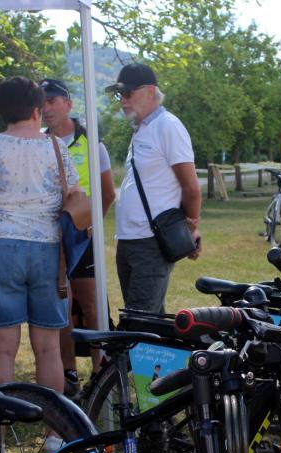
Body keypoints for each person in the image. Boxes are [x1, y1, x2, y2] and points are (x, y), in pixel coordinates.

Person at [0, 76, 77, 450]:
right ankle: (54, 435)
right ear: (37, 109)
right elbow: (73, 201)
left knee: (2, 349)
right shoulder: (58, 149)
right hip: (48, 251)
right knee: (48, 348)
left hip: (0, 248)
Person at [40, 78, 116, 395]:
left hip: (83, 240)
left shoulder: (92, 143)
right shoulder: (38, 143)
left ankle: (101, 373)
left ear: (68, 104)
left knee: (92, 306)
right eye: (41, 102)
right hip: (49, 240)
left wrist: (87, 225)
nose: (46, 108)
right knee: (61, 309)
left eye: (52, 100)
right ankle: (69, 373)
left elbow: (108, 193)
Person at [106, 63, 202, 314]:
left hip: (150, 242)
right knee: (147, 320)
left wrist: (191, 228)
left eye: (127, 93)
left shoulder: (168, 126)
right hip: (129, 240)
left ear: (150, 91)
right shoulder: (142, 128)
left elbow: (191, 187)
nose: (122, 100)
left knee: (139, 322)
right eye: (119, 95)